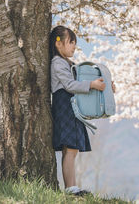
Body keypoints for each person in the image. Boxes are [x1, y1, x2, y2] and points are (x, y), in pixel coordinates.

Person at [49, 25, 115, 196]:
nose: (74, 46)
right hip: (65, 107)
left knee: (73, 149)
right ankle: (71, 188)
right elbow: (70, 85)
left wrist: (103, 87)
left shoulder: (68, 63)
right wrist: (92, 85)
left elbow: (80, 83)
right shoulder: (57, 63)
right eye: (71, 42)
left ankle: (73, 187)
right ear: (59, 44)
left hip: (72, 108)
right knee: (69, 148)